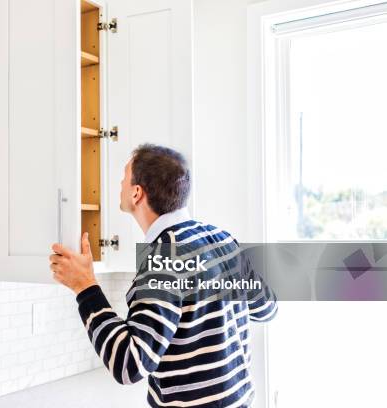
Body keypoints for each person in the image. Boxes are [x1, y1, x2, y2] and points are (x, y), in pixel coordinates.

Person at [49, 144, 277, 407]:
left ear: (136, 193)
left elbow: (128, 364)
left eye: (124, 178)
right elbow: (267, 308)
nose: (120, 184)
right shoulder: (221, 239)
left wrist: (85, 287)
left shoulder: (163, 259)